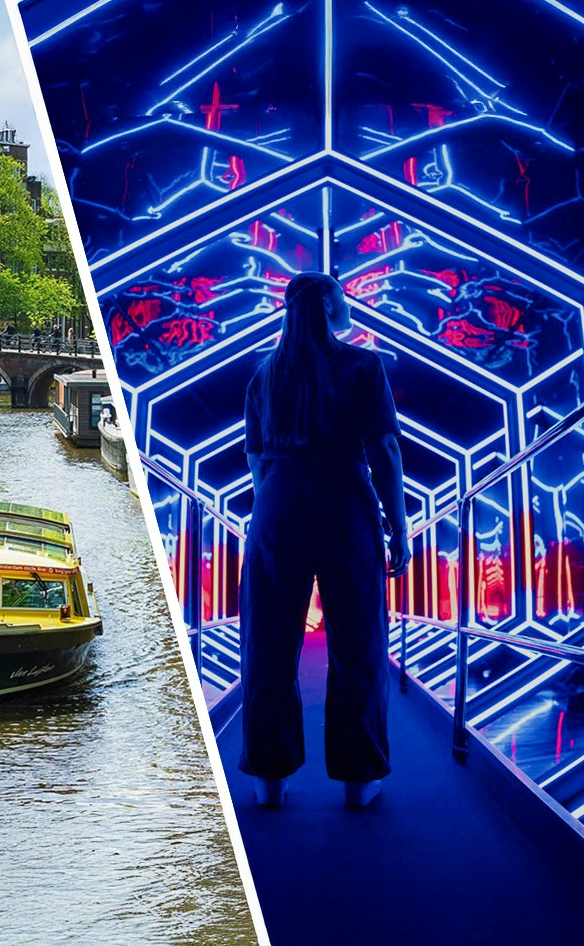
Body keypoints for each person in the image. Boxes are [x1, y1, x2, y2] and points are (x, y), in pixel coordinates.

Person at [240, 270, 409, 809]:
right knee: (358, 641)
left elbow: (256, 462)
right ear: (332, 306)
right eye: (345, 297)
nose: (349, 305)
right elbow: (385, 451)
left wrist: (273, 513)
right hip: (343, 501)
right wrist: (397, 527)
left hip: (279, 504)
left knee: (268, 643)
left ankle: (269, 777)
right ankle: (360, 779)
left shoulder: (265, 375)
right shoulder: (363, 365)